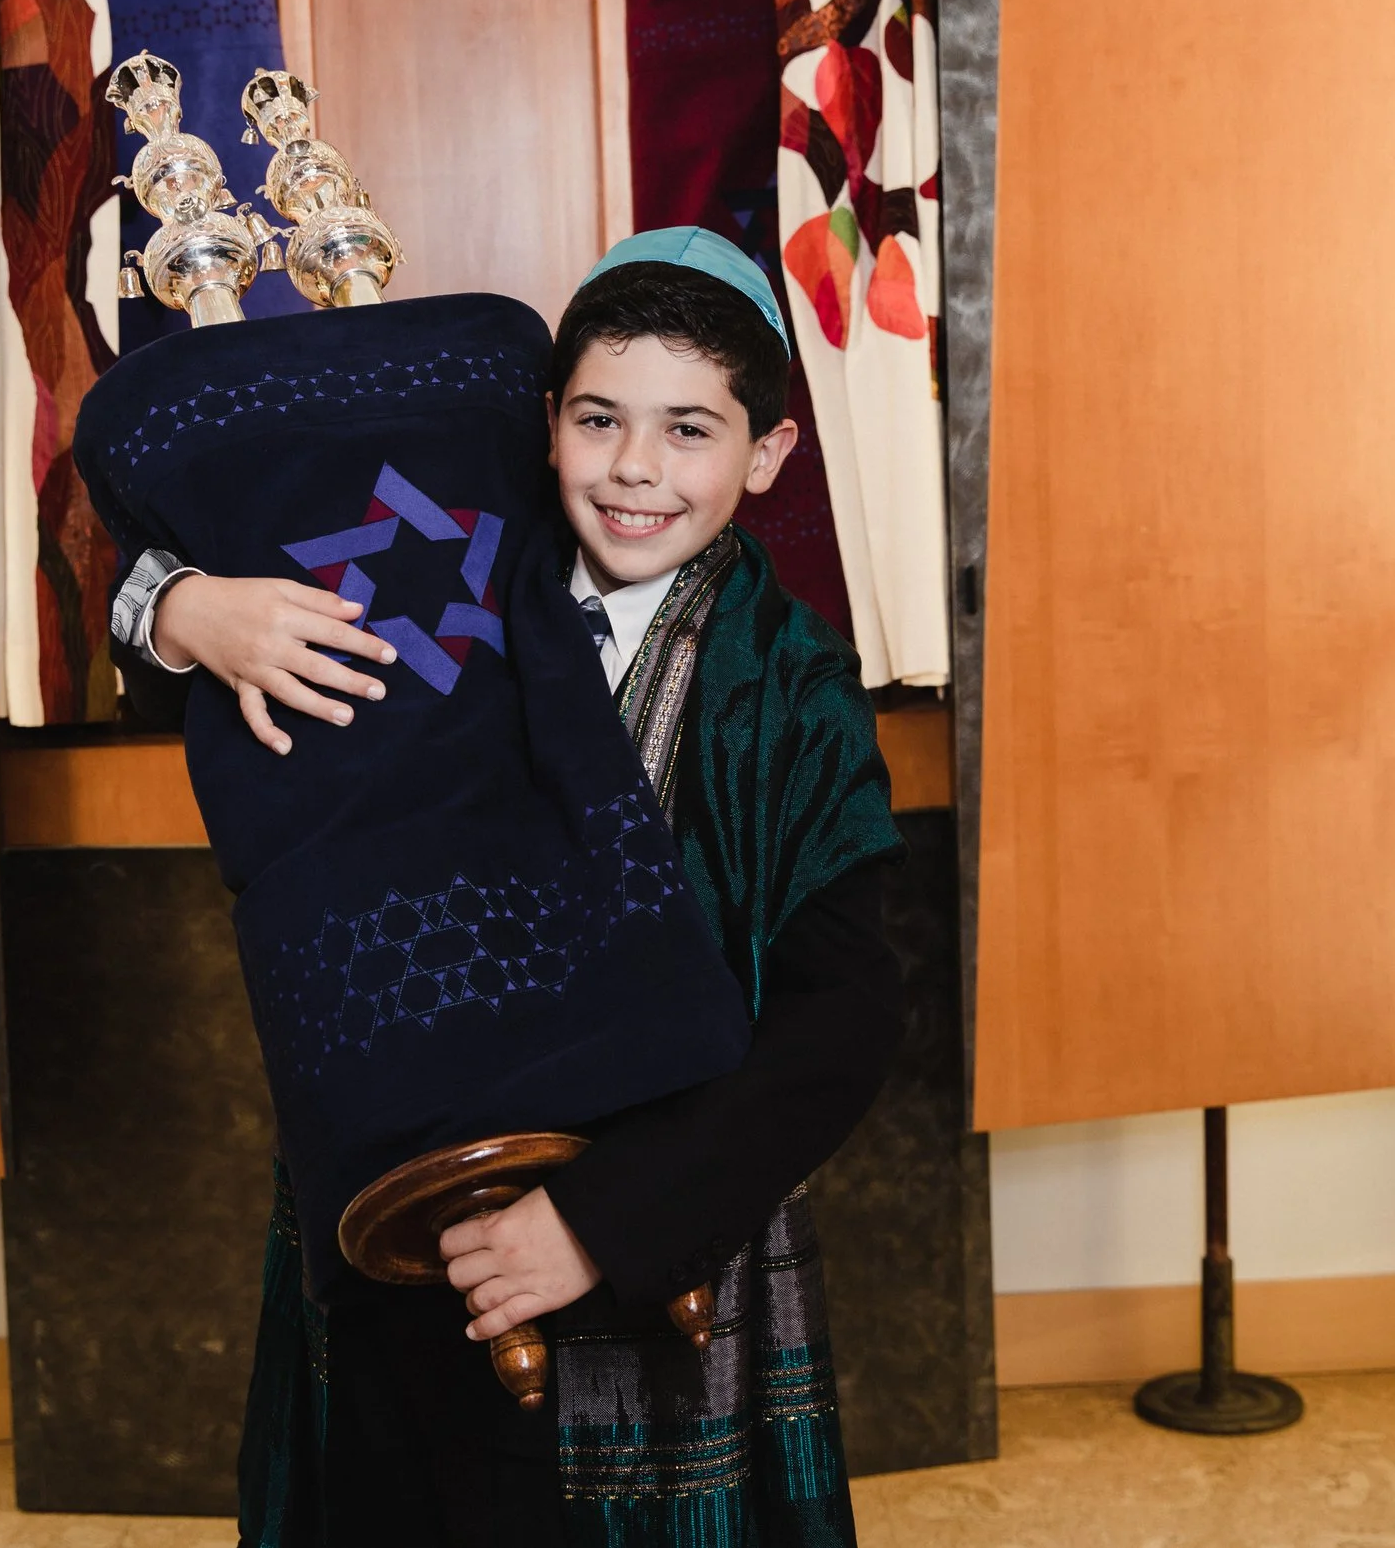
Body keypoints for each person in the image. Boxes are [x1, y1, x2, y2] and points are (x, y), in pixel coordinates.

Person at [113, 229, 909, 1546]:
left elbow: (846, 1020)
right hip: (391, 1173)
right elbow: (153, 551)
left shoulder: (789, 689)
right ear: (547, 425)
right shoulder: (438, 555)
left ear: (766, 455)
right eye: (600, 418)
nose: (637, 467)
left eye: (691, 430)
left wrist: (596, 1227)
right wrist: (187, 611)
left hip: (651, 1219)